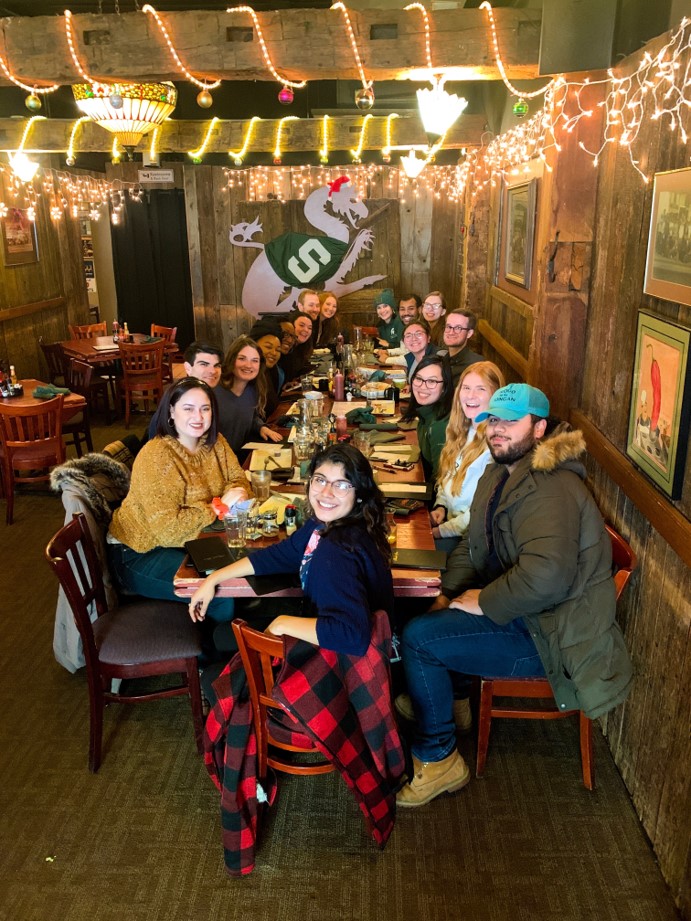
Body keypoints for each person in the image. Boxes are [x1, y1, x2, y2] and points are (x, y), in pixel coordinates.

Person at [396, 383, 634, 807]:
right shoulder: (499, 471)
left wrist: (482, 601)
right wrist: (447, 594)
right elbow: (474, 545)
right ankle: (451, 700)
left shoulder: (550, 487)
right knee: (428, 612)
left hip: (553, 637)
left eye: (510, 420)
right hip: (530, 614)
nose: (497, 429)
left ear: (539, 428)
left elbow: (547, 577)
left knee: (419, 638)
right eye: (492, 419)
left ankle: (439, 759)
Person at [189, 444, 394, 657]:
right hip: (333, 638)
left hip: (338, 660)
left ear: (359, 493)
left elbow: (352, 636)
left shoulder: (336, 550)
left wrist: (282, 624)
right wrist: (214, 578)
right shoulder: (327, 524)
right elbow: (280, 555)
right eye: (320, 480)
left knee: (222, 639)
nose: (326, 493)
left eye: (341, 485)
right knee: (223, 636)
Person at [107, 377, 252, 624]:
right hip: (140, 552)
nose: (198, 417)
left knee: (246, 566)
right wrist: (218, 506)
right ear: (171, 412)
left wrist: (236, 491)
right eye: (188, 408)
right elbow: (167, 530)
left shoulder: (215, 442)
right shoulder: (157, 456)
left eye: (205, 409)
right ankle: (212, 646)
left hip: (190, 540)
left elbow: (238, 479)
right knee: (221, 594)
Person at [430, 361, 505, 553]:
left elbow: (480, 512)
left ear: (495, 396)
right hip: (449, 524)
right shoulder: (460, 430)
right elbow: (448, 476)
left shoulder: (496, 444)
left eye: (481, 389)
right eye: (466, 388)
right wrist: (441, 506)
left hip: (469, 539)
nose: (471, 395)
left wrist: (441, 531)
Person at [221, 336, 283, 450]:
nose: (248, 365)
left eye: (254, 360)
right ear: (231, 360)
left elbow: (251, 416)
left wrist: (261, 427)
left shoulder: (252, 389)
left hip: (239, 454)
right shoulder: (214, 391)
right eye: (242, 358)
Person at [402, 354, 454, 480]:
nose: (422, 386)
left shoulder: (440, 426)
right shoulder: (425, 414)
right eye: (419, 378)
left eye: (432, 381)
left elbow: (440, 480)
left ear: (444, 387)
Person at [374, 294, 423, 365]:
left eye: (411, 308)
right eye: (402, 309)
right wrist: (388, 352)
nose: (406, 313)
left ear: (419, 310)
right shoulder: (408, 326)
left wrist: (387, 360)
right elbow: (404, 350)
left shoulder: (421, 329)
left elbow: (414, 357)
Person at [249, 320, 284, 417]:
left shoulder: (269, 371)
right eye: (268, 347)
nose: (274, 353)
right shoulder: (247, 374)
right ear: (254, 344)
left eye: (278, 349)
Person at [440, 309, 483, 387]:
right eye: (448, 326)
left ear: (469, 333)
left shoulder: (477, 366)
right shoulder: (439, 359)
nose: (451, 332)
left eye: (458, 328)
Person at [279, 313, 314, 382]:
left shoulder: (303, 349)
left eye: (309, 328)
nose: (306, 330)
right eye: (301, 325)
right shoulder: (283, 348)